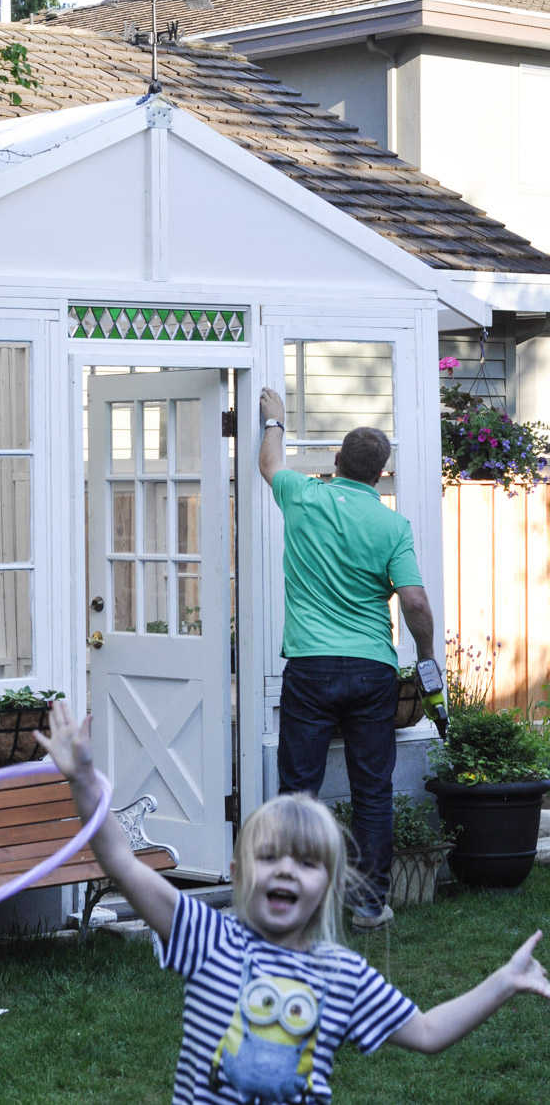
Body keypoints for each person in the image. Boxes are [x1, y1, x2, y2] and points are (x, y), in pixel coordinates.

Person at [36, 699, 550, 1105]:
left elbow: (428, 1031)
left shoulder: (343, 975)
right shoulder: (207, 937)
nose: (285, 869)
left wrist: (504, 982)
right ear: (238, 877)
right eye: (270, 858)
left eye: (305, 863)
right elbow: (122, 862)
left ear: (326, 888)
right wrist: (82, 781)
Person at [258, 387, 436, 931]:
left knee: (298, 792)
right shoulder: (392, 525)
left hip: (310, 666)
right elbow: (415, 601)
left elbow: (269, 464)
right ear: (381, 475)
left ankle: (294, 904)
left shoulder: (302, 495)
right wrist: (425, 656)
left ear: (336, 460)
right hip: (371, 670)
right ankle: (366, 906)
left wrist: (276, 421)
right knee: (372, 790)